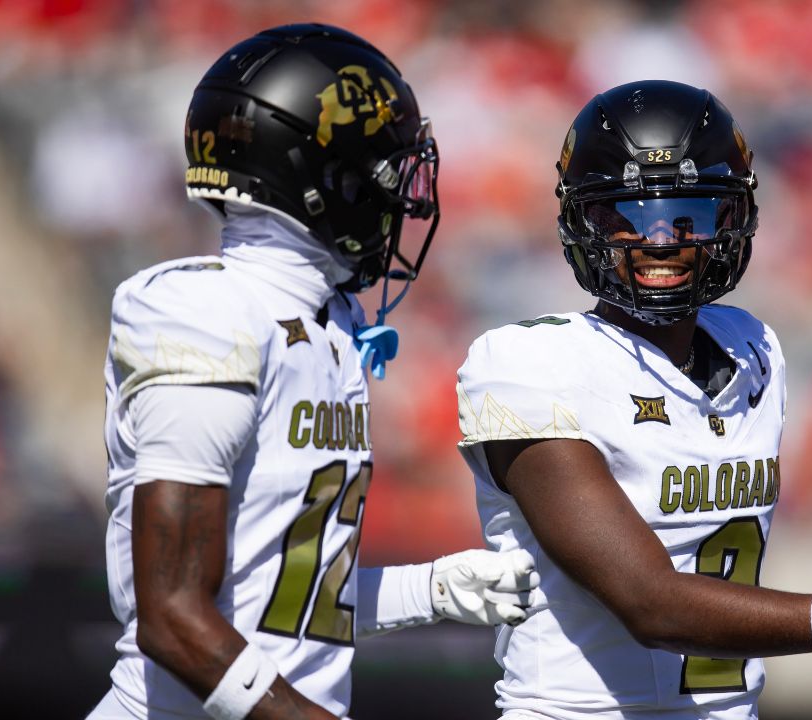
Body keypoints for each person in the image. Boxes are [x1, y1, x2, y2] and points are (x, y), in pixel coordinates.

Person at [455, 80, 812, 719]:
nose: (661, 240)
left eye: (688, 213)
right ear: (584, 223)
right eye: (627, 215)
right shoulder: (530, 365)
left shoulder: (753, 349)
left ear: (731, 217)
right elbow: (651, 603)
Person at [89, 25, 537, 720]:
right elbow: (173, 618)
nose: (402, 202)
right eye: (386, 176)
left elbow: (283, 603)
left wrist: (434, 589)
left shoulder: (332, 326)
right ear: (325, 179)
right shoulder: (208, 310)